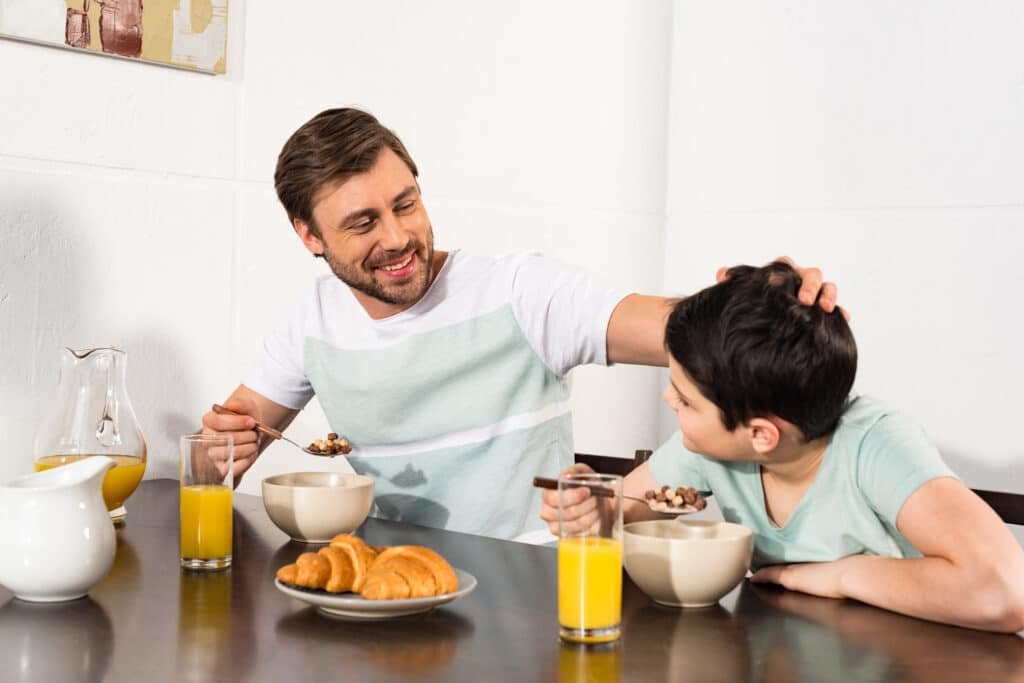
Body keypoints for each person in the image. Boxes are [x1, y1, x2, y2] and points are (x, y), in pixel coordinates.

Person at [200, 107, 837, 541]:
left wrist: (767, 297)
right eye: (363, 223)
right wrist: (223, 447)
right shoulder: (310, 324)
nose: (398, 239)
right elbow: (217, 457)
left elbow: (686, 328)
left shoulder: (521, 291)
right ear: (309, 235)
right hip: (391, 590)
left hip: (533, 588)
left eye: (406, 205)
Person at [541, 261, 1024, 632]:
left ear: (761, 435)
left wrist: (840, 576)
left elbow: (1006, 591)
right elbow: (620, 511)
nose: (670, 400)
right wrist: (588, 505)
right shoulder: (708, 447)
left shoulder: (876, 445)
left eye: (685, 400)